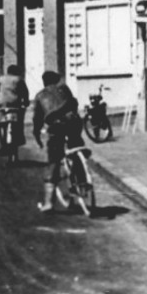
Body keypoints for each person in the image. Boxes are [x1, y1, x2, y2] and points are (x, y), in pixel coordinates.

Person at [32, 69, 86, 214]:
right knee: (75, 147)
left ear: (44, 82)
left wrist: (37, 135)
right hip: (73, 122)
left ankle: (49, 203)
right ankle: (82, 177)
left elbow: (37, 120)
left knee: (53, 161)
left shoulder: (40, 96)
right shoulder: (64, 89)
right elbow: (73, 103)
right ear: (56, 80)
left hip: (56, 126)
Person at [0, 63, 30, 160]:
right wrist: (25, 102)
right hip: (15, 105)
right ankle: (18, 140)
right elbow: (24, 93)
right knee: (18, 125)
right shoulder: (19, 80)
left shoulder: (0, 79)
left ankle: (3, 144)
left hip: (2, 105)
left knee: (1, 125)